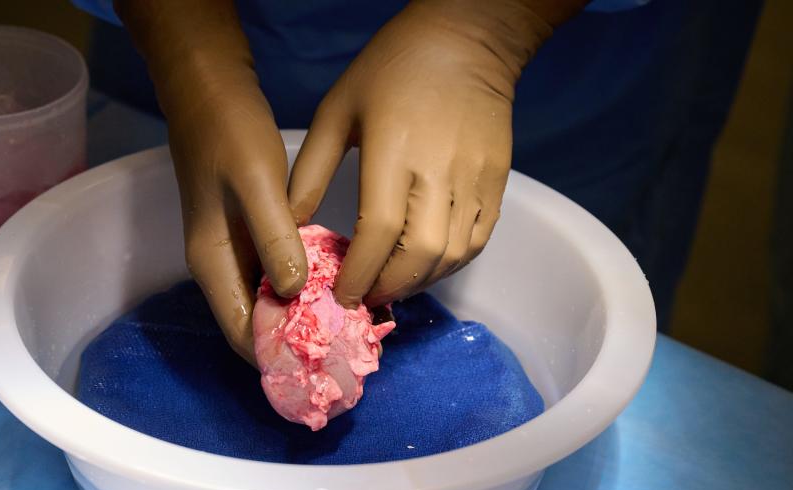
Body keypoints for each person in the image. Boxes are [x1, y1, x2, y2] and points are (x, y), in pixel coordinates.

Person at [73, 0, 763, 362]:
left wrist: (493, 26)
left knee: (559, 299)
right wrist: (193, 60)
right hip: (241, 21)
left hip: (575, 70)